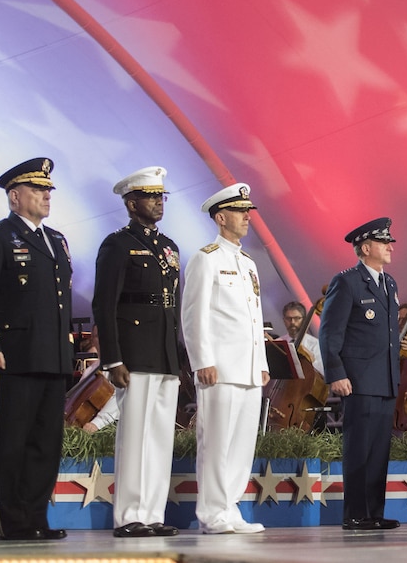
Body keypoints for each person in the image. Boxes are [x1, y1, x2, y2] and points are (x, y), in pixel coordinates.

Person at [0, 158, 72, 541]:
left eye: (48, 190)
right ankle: (10, 522)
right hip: (10, 357)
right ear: (15, 197)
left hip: (51, 357)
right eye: (37, 190)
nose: (46, 195)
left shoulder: (57, 239)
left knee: (44, 443)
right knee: (9, 442)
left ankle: (35, 517)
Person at [92, 167, 182, 538]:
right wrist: (112, 358)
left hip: (163, 352)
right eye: (150, 196)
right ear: (131, 204)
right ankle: (129, 514)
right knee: (134, 435)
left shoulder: (169, 247)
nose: (158, 202)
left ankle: (152, 512)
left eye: (161, 196)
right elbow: (104, 304)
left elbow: (173, 306)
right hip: (134, 351)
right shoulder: (117, 244)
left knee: (160, 436)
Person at [180, 182, 268, 534]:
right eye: (240, 211)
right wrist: (202, 360)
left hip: (247, 368)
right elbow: (193, 314)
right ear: (221, 217)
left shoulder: (248, 263)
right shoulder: (206, 258)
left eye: (247, 210)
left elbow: (255, 317)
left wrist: (261, 363)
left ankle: (229, 509)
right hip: (220, 367)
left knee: (241, 444)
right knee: (216, 442)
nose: (247, 217)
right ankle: (212, 513)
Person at [319, 218, 401, 531]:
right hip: (359, 379)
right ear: (366, 248)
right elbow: (330, 332)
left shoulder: (389, 283)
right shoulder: (347, 281)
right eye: (384, 242)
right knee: (359, 449)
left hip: (385, 379)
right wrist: (336, 372)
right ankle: (355, 513)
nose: (390, 247)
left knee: (379, 451)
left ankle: (373, 513)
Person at [280, 300, 323, 374]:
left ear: (304, 320)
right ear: (284, 320)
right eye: (288, 318)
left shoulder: (315, 344)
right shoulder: (279, 342)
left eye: (297, 318)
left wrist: (311, 360)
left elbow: (323, 372)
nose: (292, 322)